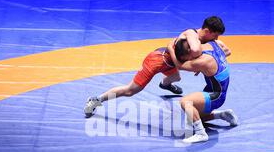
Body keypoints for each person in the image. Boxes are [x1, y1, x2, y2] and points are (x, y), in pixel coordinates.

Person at [83, 16, 227, 117]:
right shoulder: (191, 33)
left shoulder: (202, 39)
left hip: (171, 61)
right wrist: (199, 62)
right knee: (131, 90)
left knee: (175, 76)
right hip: (158, 60)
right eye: (215, 36)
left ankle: (165, 85)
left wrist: (200, 65)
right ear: (207, 31)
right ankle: (96, 100)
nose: (216, 40)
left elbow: (223, 51)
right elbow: (195, 51)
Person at [168, 38, 238, 144]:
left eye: (186, 58)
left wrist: (170, 48)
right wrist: (205, 68)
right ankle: (222, 115)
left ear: (189, 52)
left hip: (216, 96)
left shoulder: (203, 61)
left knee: (186, 102)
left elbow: (179, 66)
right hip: (216, 90)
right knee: (193, 118)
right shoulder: (212, 44)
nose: (188, 60)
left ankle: (201, 134)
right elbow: (228, 52)